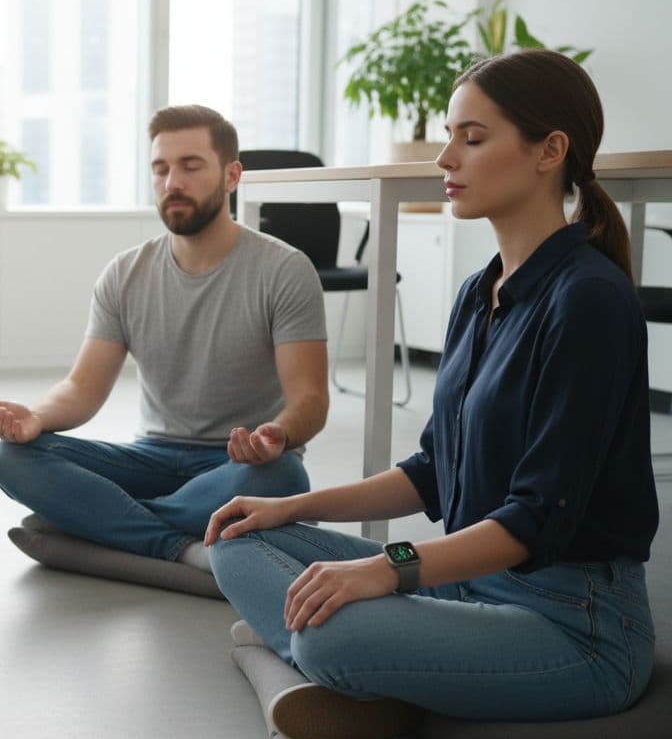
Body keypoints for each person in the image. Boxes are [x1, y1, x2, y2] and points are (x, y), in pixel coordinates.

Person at [207, 50, 658, 739]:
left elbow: (536, 520)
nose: (446, 157)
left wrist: (390, 569)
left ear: (550, 151)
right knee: (239, 539)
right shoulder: (482, 294)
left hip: (574, 625)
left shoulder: (589, 301)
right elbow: (431, 471)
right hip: (471, 587)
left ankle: (321, 662)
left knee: (333, 640)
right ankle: (360, 667)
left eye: (471, 139)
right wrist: (290, 505)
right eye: (450, 136)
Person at [0, 104, 328, 570]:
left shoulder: (284, 270)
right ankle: (178, 545)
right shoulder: (125, 273)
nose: (172, 183)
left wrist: (277, 434)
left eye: (190, 166)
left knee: (285, 475)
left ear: (231, 176)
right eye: (160, 169)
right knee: (14, 458)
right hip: (150, 459)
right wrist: (36, 418)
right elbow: (82, 388)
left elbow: (310, 398)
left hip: (236, 465)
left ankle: (99, 523)